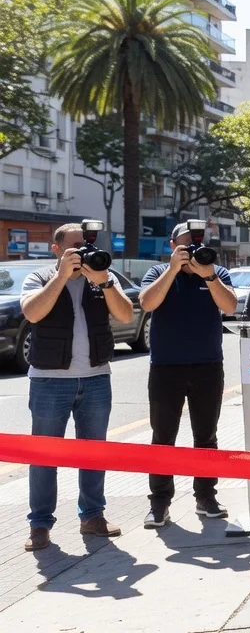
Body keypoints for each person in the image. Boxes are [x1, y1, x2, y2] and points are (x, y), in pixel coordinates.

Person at [20, 223, 133, 551]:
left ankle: (93, 516)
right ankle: (39, 524)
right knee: (44, 456)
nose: (82, 252)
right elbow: (32, 312)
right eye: (74, 246)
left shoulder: (100, 277)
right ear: (56, 249)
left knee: (94, 452)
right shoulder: (40, 278)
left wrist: (106, 282)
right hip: (49, 380)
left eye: (85, 245)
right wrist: (61, 277)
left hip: (97, 378)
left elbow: (126, 315)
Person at [138, 221, 238, 528]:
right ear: (172, 247)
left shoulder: (216, 273)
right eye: (185, 246)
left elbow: (230, 306)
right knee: (162, 437)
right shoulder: (157, 273)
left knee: (206, 436)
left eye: (195, 245)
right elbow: (147, 302)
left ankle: (205, 496)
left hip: (208, 365)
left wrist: (207, 275)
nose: (191, 252)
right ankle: (159, 503)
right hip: (166, 367)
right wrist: (172, 270)